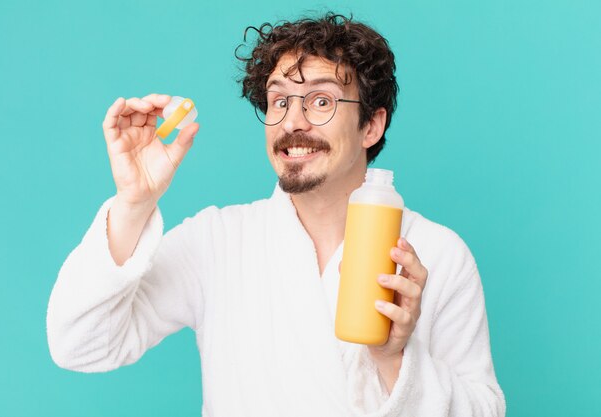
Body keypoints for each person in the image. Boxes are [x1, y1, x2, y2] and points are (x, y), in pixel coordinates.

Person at [47, 12, 505, 417]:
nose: (292, 122)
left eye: (321, 101)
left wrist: (393, 359)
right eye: (279, 100)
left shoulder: (437, 255)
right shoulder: (218, 241)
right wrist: (134, 202)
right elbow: (80, 345)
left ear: (371, 124)